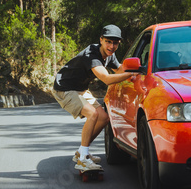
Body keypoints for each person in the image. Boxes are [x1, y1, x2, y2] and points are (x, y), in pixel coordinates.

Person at [53, 25, 134, 171]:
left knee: (103, 117)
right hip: (64, 88)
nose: (111, 46)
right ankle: (83, 159)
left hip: (80, 90)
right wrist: (131, 75)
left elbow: (120, 69)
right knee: (93, 114)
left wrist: (140, 69)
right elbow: (107, 78)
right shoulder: (92, 54)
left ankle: (81, 152)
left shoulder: (109, 55)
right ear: (101, 40)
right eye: (108, 41)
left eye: (115, 43)